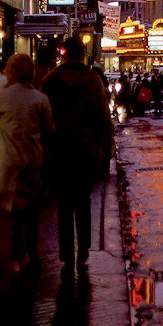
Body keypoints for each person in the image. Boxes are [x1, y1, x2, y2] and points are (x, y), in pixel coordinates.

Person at [42, 36, 112, 269]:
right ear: (83, 54)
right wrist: (106, 149)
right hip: (86, 149)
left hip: (60, 148)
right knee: (83, 202)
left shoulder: (51, 79)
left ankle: (66, 253)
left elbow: (44, 116)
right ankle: (83, 250)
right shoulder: (93, 80)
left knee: (63, 205)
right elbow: (103, 118)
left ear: (64, 54)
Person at [0, 53, 55, 276]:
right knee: (32, 211)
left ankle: (17, 256)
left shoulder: (2, 96)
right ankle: (32, 254)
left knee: (14, 212)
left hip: (9, 161)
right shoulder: (39, 98)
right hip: (33, 160)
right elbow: (50, 128)